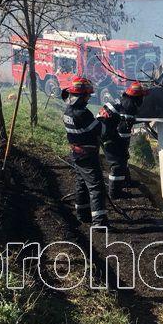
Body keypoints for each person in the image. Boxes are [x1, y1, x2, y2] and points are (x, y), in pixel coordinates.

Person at [61, 77, 109, 227]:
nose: (89, 98)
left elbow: (86, 128)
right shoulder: (82, 113)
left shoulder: (68, 111)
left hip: (77, 153)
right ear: (81, 96)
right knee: (96, 186)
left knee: (81, 182)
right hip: (87, 155)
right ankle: (99, 222)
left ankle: (82, 214)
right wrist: (103, 119)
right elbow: (101, 131)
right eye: (87, 95)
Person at [99, 81, 150, 198]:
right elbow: (123, 131)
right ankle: (115, 192)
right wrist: (124, 147)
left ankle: (126, 181)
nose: (143, 99)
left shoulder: (124, 101)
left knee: (123, 157)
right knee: (118, 163)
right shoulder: (129, 107)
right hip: (107, 135)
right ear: (138, 97)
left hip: (107, 131)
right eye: (142, 96)